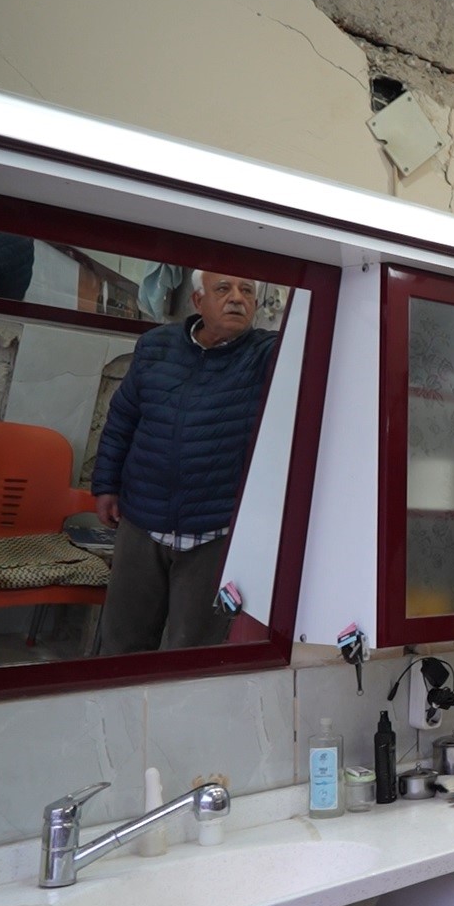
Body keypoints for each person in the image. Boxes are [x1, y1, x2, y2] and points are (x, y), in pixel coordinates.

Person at [93, 271, 276, 653]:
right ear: (198, 301)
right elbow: (123, 419)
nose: (237, 298)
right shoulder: (156, 346)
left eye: (247, 290)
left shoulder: (266, 355)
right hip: (141, 521)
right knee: (121, 645)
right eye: (223, 289)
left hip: (214, 532)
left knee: (192, 653)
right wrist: (106, 485)